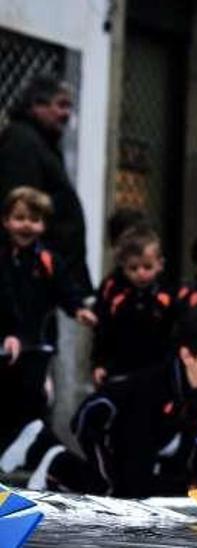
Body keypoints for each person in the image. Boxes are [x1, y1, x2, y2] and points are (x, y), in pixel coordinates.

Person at [71, 307, 197, 498]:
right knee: (111, 488)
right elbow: (135, 455)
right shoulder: (153, 389)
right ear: (188, 356)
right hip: (103, 431)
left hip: (157, 449)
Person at [0, 186, 95, 481]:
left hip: (38, 344)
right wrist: (8, 332)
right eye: (20, 218)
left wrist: (78, 308)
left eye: (35, 219)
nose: (27, 225)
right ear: (6, 221)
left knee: (34, 398)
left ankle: (34, 455)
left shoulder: (48, 260)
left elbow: (65, 288)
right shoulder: (2, 257)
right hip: (7, 343)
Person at [0, 76, 91, 291]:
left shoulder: (41, 143)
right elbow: (20, 205)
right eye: (61, 105)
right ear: (37, 106)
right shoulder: (22, 143)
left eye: (69, 106)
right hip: (29, 279)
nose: (67, 114)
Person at [90, 225, 175, 385]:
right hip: (119, 368)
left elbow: (174, 334)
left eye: (147, 267)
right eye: (133, 268)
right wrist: (99, 364)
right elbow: (102, 331)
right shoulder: (115, 293)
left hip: (156, 369)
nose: (141, 273)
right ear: (123, 267)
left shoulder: (167, 295)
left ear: (160, 264)